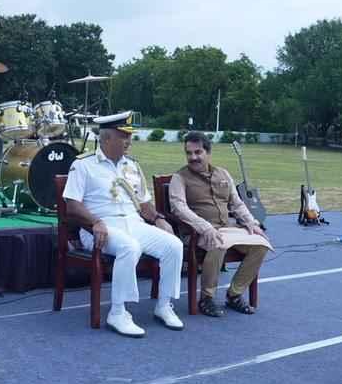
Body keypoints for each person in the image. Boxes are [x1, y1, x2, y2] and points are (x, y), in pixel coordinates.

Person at [61, 111, 184, 337]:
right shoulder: (84, 165)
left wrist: (159, 219)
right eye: (124, 136)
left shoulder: (132, 166)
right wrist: (95, 222)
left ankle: (164, 305)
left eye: (129, 136)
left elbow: (144, 204)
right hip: (98, 228)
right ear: (107, 138)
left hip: (133, 223)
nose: (129, 141)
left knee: (173, 245)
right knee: (130, 247)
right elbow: (72, 205)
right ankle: (118, 312)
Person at [168, 131, 272, 317]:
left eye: (198, 152)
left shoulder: (223, 174)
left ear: (208, 153)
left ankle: (234, 294)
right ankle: (206, 298)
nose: (193, 157)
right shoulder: (180, 177)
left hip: (227, 228)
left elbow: (237, 203)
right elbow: (178, 208)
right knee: (218, 243)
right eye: (189, 153)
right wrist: (205, 227)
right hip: (197, 233)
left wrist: (251, 222)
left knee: (261, 244)